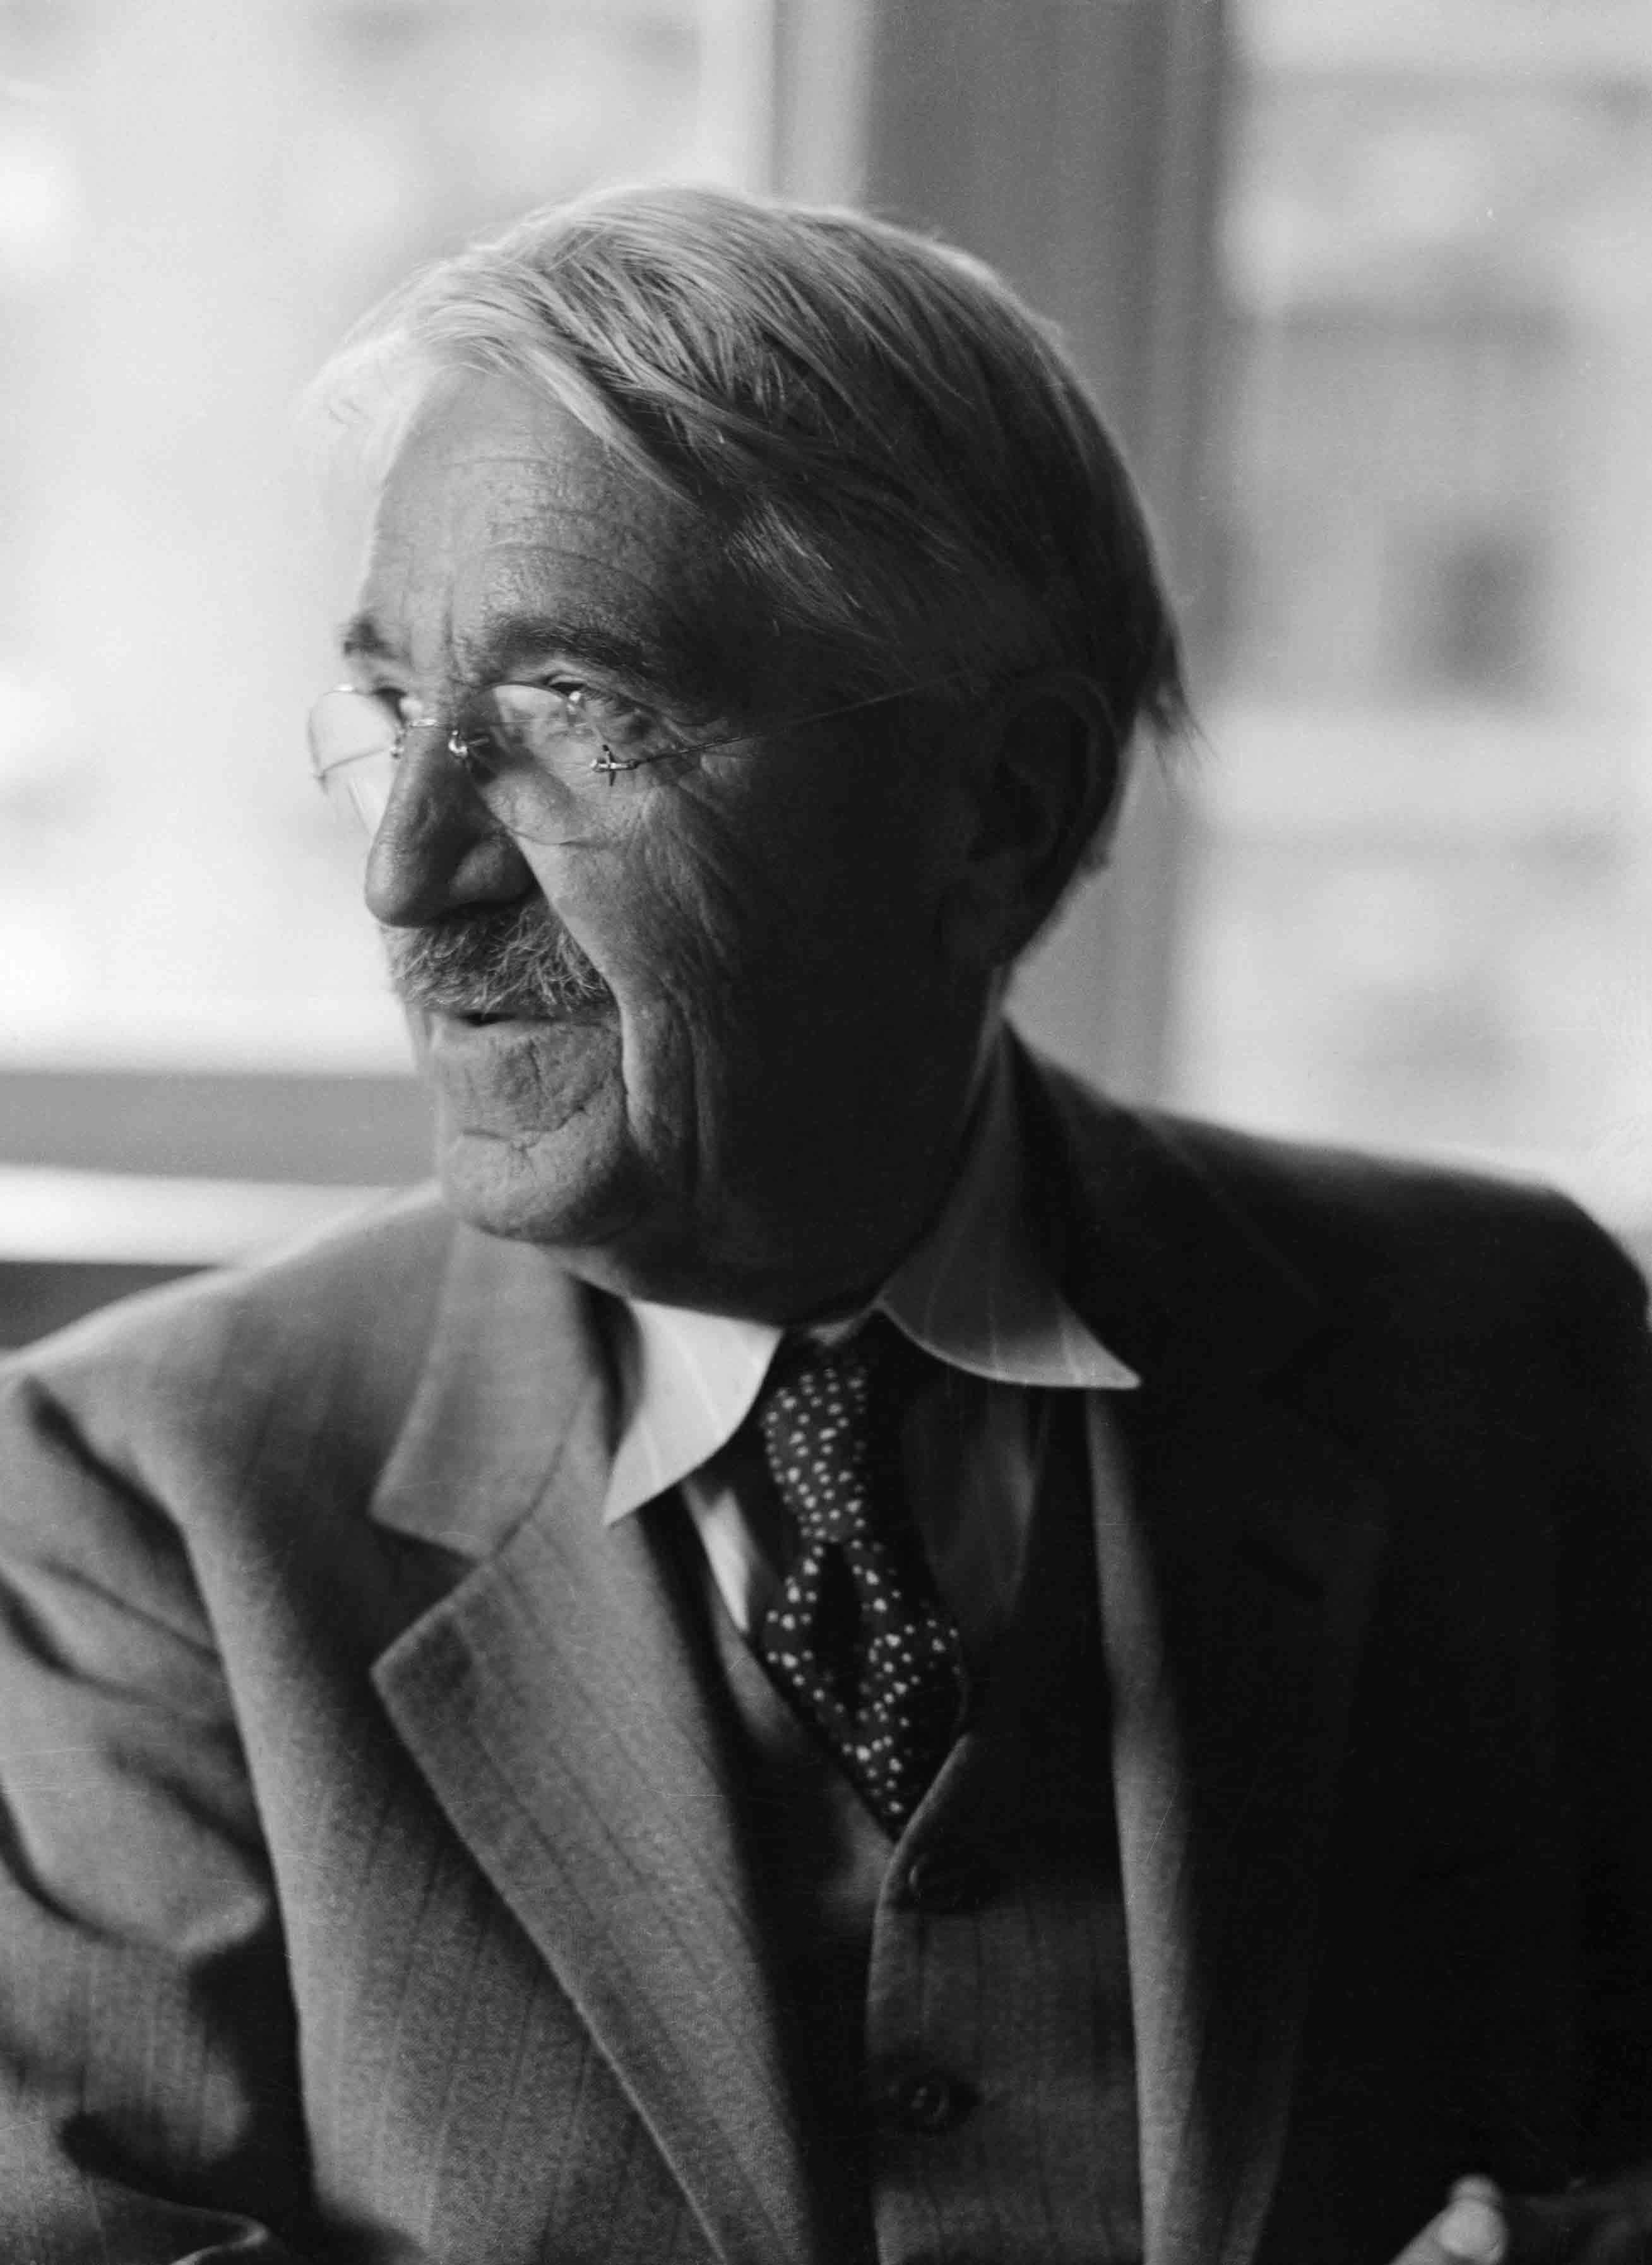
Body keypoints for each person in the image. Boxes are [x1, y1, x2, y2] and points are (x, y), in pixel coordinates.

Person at [1, 182, 1649, 2265]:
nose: (409, 876)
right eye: (400, 714)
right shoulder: (137, 1491)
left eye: (574, 713)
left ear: (1000, 810)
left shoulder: (1497, 1343)